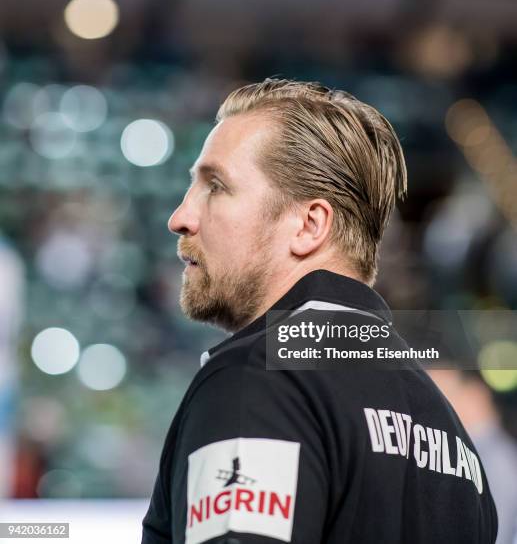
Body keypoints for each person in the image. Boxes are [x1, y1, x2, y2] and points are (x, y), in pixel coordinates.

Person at [141, 78, 498, 543]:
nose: (181, 217)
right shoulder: (452, 437)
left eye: (216, 187)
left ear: (310, 226)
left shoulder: (260, 378)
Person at [429, 369, 517, 544]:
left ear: (475, 395)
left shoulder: (495, 461)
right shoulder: (487, 454)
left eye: (445, 395)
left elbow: (495, 536)